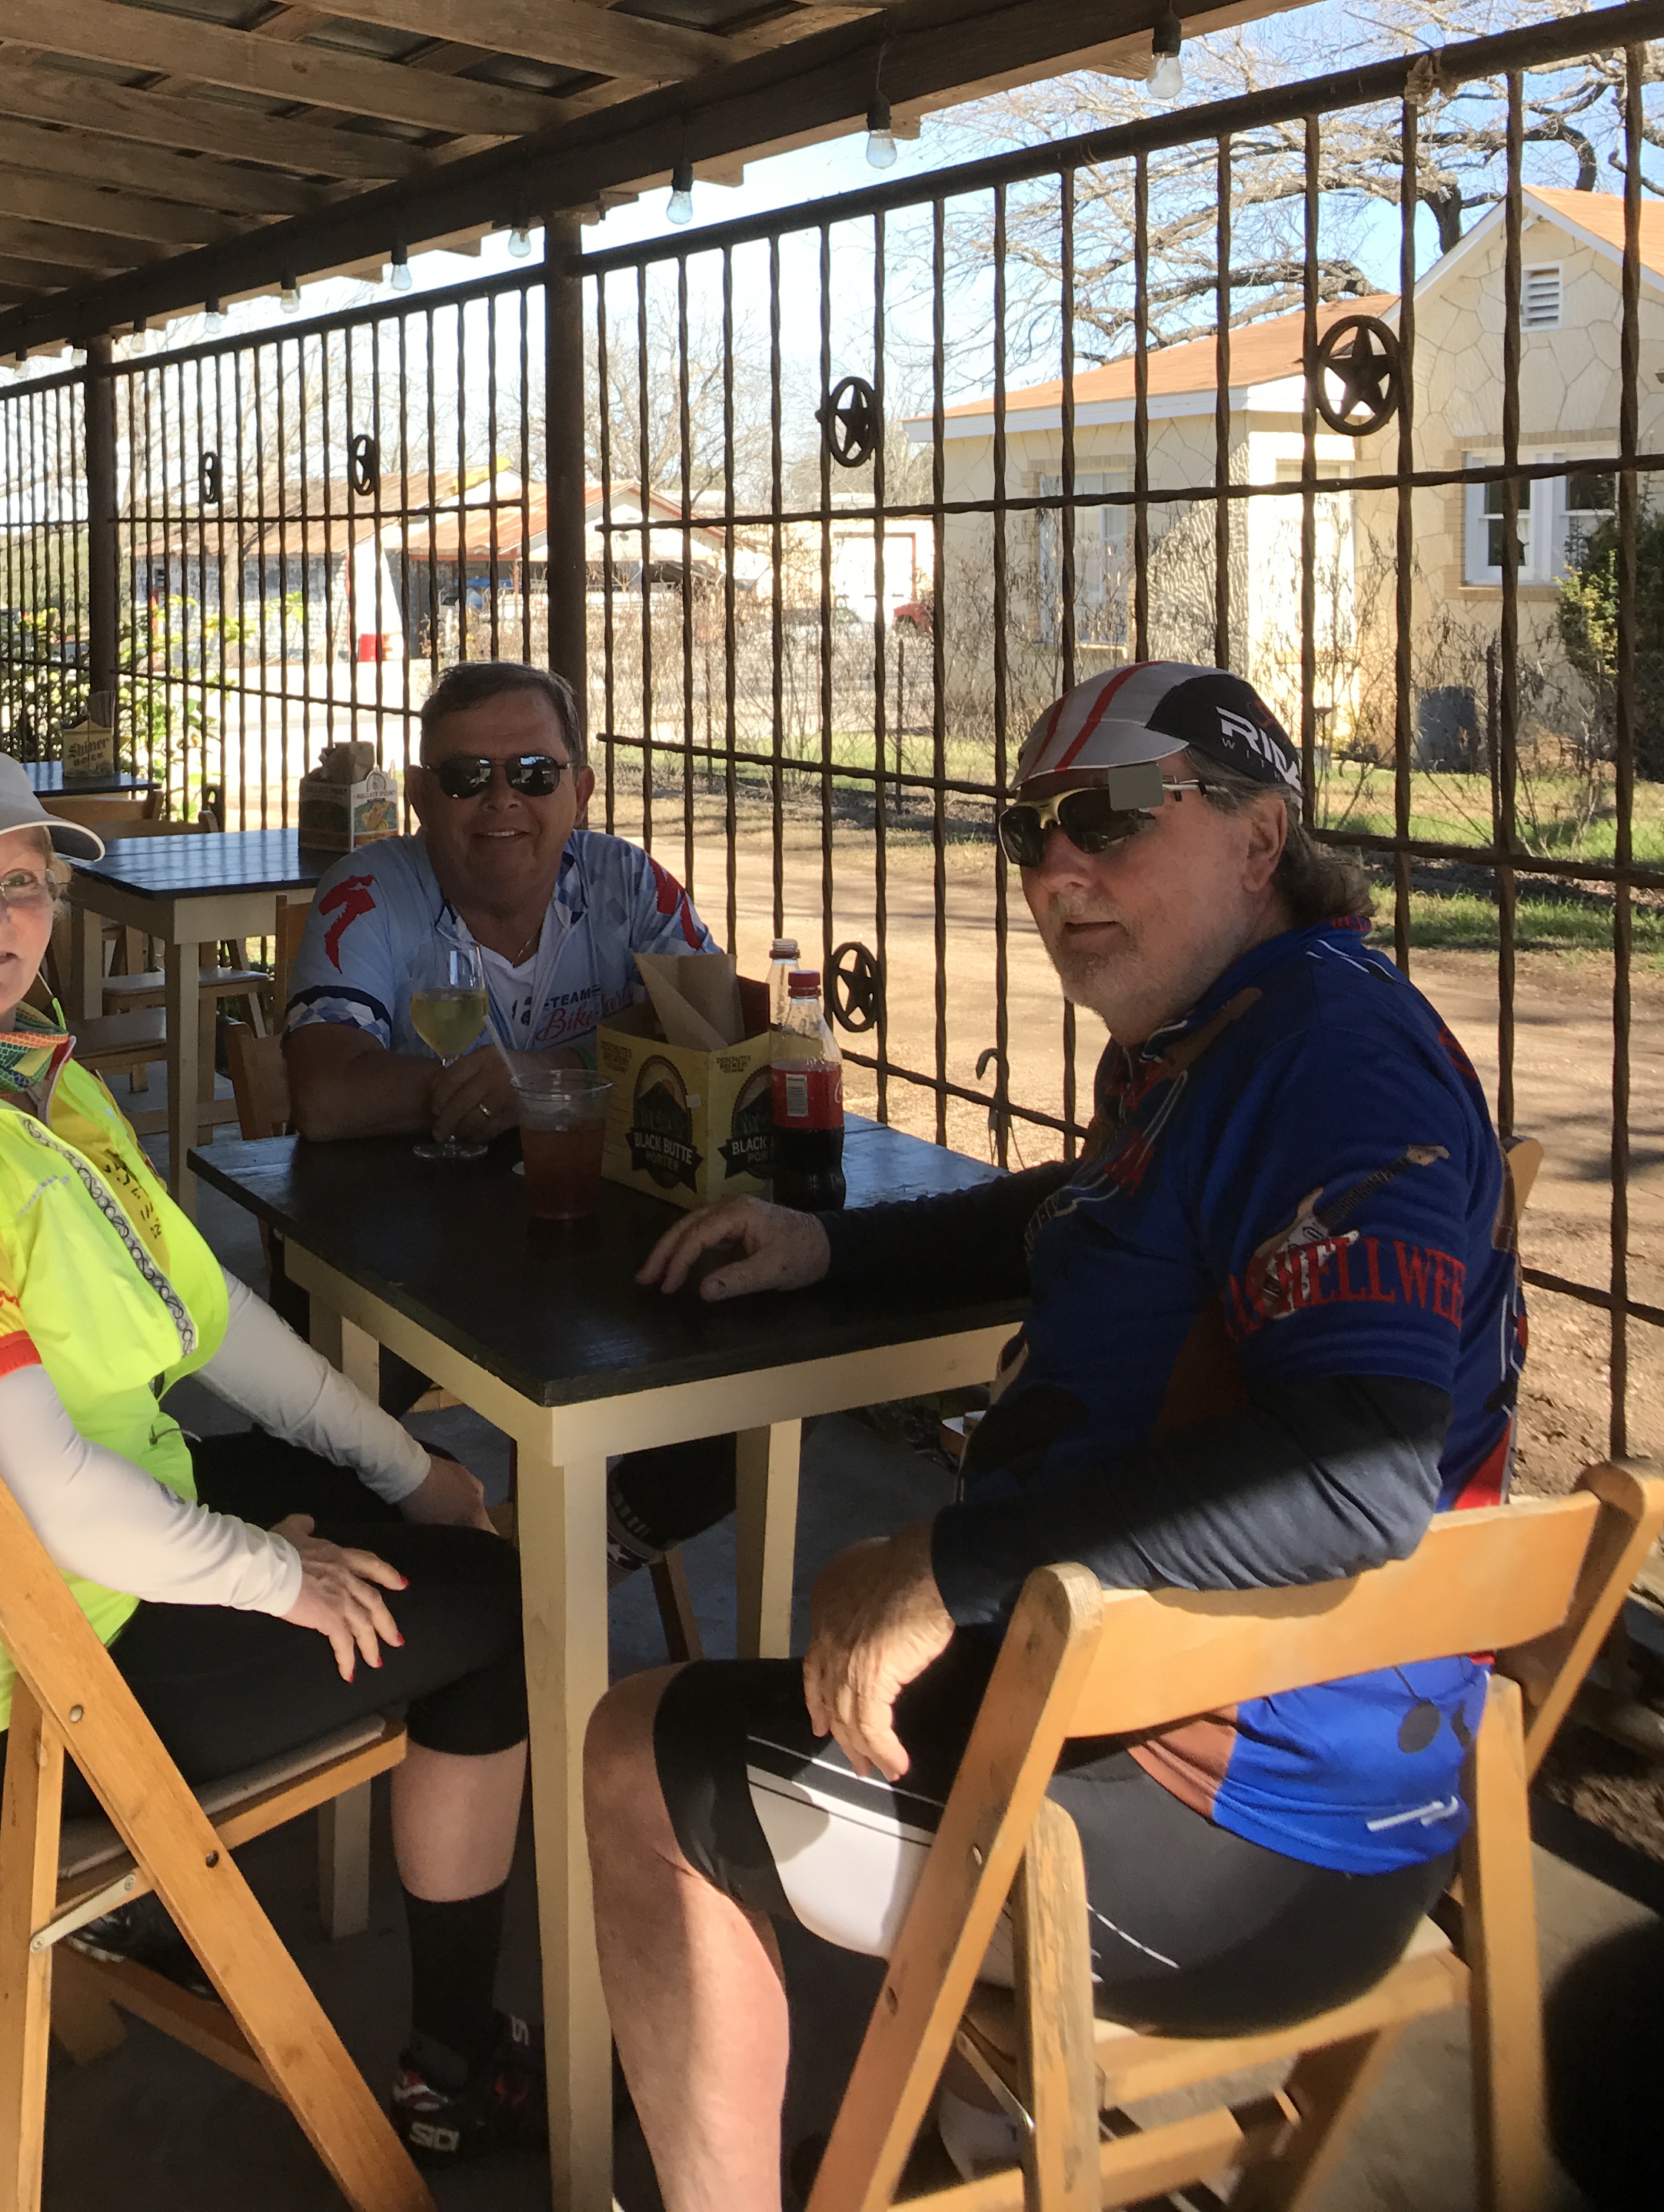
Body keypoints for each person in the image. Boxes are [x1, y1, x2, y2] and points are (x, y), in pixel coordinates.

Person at [584, 661, 1526, 2212]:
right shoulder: (1222, 1030)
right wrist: (831, 1248)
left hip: (1235, 1845)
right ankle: (985, 2153)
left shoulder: (1329, 1060)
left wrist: (946, 1565)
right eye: (1029, 830)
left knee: (635, 1753)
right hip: (1248, 1740)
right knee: (861, 1675)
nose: (1056, 868)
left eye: (1112, 815)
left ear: (1259, 836)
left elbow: (1359, 1466)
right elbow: (1085, 1207)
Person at [0, 740, 537, 2162]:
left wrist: (404, 1469)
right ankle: (456, 2070)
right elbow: (37, 1491)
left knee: (394, 1512)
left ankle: (171, 1907)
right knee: (494, 1613)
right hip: (9, 1694)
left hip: (55, 1570)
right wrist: (274, 1575)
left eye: (21, 882)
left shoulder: (17, 1079)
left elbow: (208, 1307)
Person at [285, 660, 737, 1574]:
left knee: (758, 1347)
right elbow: (325, 1094)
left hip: (599, 1250)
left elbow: (719, 1045)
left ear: (582, 789)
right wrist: (472, 1092)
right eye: (466, 777)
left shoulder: (633, 887)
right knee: (326, 1420)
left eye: (533, 773)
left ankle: (575, 1564)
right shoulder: (367, 894)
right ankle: (421, 1600)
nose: (502, 801)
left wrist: (544, 1076)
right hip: (407, 1266)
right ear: (421, 796)